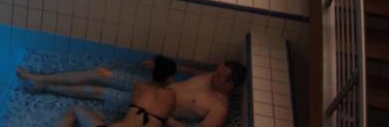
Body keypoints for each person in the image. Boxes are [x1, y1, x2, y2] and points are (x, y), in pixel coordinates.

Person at [19, 57, 246, 127]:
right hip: (152, 87)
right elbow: (190, 70)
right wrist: (162, 64)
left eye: (219, 75)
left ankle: (46, 86)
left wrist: (166, 119)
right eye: (216, 70)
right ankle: (39, 78)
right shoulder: (211, 77)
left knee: (97, 91)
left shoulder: (218, 109)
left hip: (153, 107)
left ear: (230, 85)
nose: (213, 75)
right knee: (100, 72)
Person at [18, 55, 177, 127]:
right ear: (170, 79)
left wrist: (153, 65)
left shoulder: (140, 86)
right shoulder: (171, 96)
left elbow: (146, 87)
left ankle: (41, 81)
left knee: (75, 110)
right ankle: (43, 83)